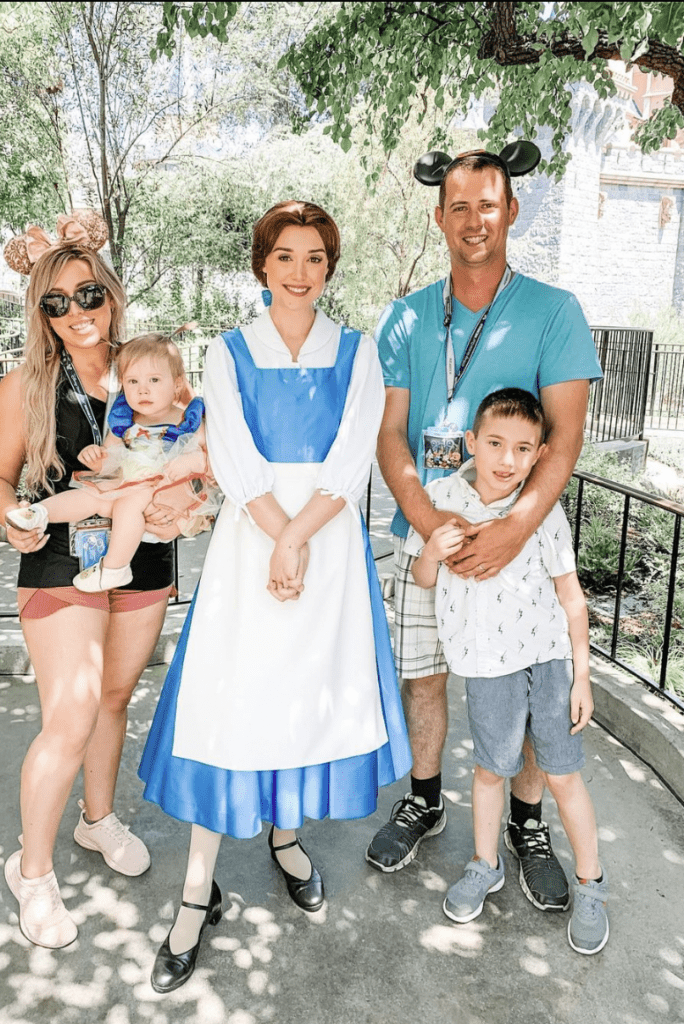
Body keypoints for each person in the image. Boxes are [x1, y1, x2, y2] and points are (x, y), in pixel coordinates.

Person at [137, 200, 412, 993]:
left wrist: (297, 537)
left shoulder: (357, 351)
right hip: (248, 545)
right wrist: (278, 533)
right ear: (262, 264)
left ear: (329, 267)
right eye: (284, 256)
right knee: (228, 703)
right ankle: (195, 894)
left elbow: (354, 452)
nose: (299, 271)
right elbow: (233, 450)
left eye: (314, 257)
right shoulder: (227, 351)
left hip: (324, 547)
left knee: (303, 697)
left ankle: (285, 840)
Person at [367, 144, 603, 916]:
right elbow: (391, 435)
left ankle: (526, 826)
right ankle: (425, 798)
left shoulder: (554, 311)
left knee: (534, 688)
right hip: (429, 535)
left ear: (512, 212)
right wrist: (436, 521)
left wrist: (511, 530)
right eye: (458, 207)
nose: (473, 221)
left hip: (520, 547)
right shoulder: (404, 318)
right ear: (439, 217)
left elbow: (561, 441)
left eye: (488, 205)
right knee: (423, 677)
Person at [0, 218, 180, 949]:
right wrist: (9, 515)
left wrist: (185, 497)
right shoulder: (24, 385)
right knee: (70, 713)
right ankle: (31, 872)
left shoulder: (149, 365)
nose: (75, 311)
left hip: (143, 555)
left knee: (116, 698)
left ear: (112, 294)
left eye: (87, 292)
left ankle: (98, 821)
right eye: (55, 302)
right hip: (60, 558)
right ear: (41, 313)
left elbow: (194, 448)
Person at [408, 389, 608, 954]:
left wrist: (583, 676)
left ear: (541, 453)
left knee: (563, 773)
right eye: (495, 443)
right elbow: (426, 580)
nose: (507, 459)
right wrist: (432, 550)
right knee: (492, 768)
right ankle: (484, 864)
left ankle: (592, 887)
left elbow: (572, 598)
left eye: (523, 448)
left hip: (547, 662)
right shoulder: (443, 497)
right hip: (486, 665)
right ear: (472, 442)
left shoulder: (539, 510)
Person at [5, 332, 220, 592]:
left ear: (176, 385)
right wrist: (95, 457)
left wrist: (194, 460)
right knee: (92, 495)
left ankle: (115, 568)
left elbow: (215, 460)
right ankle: (39, 514)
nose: (143, 389)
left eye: (154, 379)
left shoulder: (188, 420)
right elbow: (109, 462)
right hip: (130, 487)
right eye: (133, 381)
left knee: (128, 504)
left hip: (166, 493)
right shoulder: (125, 421)